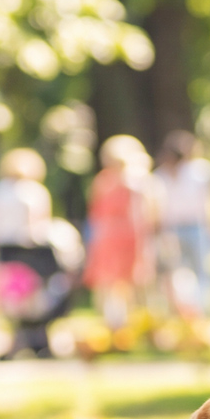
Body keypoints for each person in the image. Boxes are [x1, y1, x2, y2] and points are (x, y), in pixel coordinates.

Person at [0, 147, 84, 358]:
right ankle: (37, 337)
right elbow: (39, 227)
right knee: (41, 293)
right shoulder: (34, 192)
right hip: (32, 255)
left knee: (14, 299)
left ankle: (19, 340)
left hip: (6, 255)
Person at [82, 134, 155, 334]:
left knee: (120, 283)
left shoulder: (121, 181)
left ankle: (125, 325)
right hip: (120, 236)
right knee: (119, 283)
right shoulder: (130, 181)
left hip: (117, 236)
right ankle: (121, 325)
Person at [154, 130, 210, 317]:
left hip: (197, 225)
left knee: (202, 269)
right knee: (175, 272)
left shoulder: (201, 172)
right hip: (172, 228)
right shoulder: (161, 175)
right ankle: (181, 310)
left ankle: (202, 309)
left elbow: (209, 201)